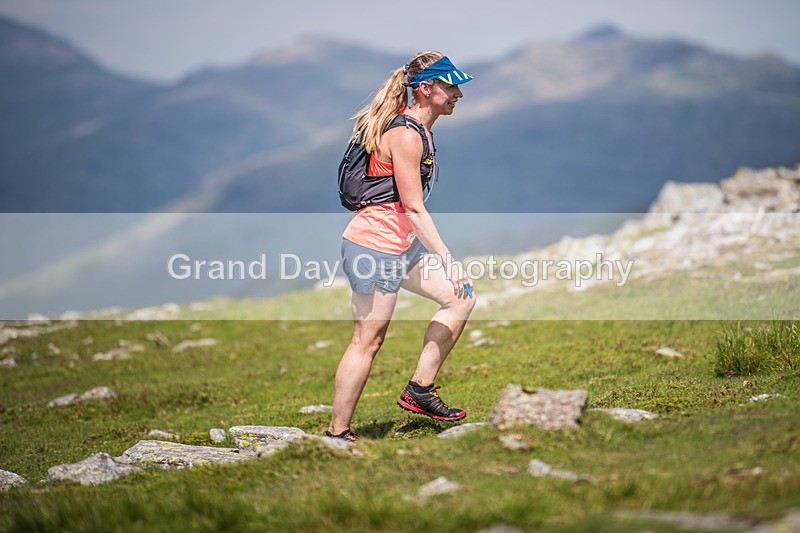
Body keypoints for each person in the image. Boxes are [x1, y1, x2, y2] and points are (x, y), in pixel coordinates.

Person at [326, 52, 476, 442]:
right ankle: (337, 432)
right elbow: (412, 206)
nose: (459, 93)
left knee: (460, 298)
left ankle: (419, 390)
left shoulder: (421, 129)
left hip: (400, 245)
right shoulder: (406, 134)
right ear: (426, 89)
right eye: (451, 86)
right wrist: (448, 260)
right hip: (373, 248)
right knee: (368, 341)